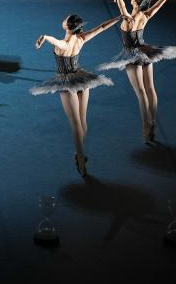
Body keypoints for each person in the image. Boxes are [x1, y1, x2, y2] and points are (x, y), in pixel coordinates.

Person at [99, 0, 176, 143]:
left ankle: (146, 126)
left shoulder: (129, 20)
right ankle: (153, 123)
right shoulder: (145, 15)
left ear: (135, 2)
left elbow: (123, 10)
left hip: (132, 55)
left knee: (141, 92)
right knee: (150, 89)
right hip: (145, 53)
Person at [31, 14, 122, 176]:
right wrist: (118, 17)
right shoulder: (81, 38)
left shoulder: (65, 44)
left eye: (65, 19)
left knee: (75, 124)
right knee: (82, 121)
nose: (64, 19)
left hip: (68, 84)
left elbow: (56, 42)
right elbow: (102, 27)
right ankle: (79, 151)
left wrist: (44, 37)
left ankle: (80, 158)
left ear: (67, 26)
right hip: (82, 80)